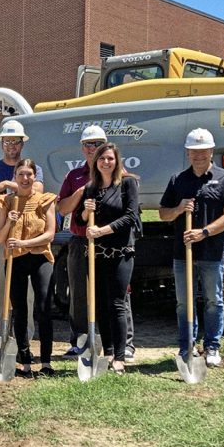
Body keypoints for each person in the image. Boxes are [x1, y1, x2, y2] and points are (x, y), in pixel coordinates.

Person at [158, 128, 224, 367]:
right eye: (194, 152)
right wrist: (178, 209)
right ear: (188, 153)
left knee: (213, 300)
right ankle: (187, 346)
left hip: (212, 253)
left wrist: (203, 232)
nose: (199, 156)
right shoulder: (178, 180)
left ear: (211, 151)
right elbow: (163, 213)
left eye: (203, 151)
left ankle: (212, 347)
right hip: (182, 254)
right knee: (184, 302)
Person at [58, 126, 138, 359]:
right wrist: (81, 194)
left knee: (119, 295)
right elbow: (63, 209)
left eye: (98, 144)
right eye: (88, 144)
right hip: (81, 240)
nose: (93, 149)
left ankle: (126, 344)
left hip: (112, 243)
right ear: (83, 148)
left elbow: (129, 214)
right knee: (82, 294)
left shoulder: (120, 177)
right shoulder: (75, 177)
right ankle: (82, 340)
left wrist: (102, 231)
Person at [75, 143, 140, 375]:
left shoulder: (127, 183)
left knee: (117, 303)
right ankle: (109, 352)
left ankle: (120, 357)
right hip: (96, 254)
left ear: (117, 161)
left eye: (110, 159)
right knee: (101, 303)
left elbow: (131, 216)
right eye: (102, 159)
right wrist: (85, 211)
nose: (106, 162)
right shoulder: (90, 188)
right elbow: (80, 221)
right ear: (96, 162)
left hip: (121, 253)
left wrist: (102, 231)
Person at [0, 119, 42, 355]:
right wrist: (12, 193)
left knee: (26, 292)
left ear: (21, 144)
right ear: (1, 144)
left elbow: (37, 193)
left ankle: (22, 342)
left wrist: (7, 185)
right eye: (7, 142)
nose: (11, 146)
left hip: (25, 239)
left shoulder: (32, 168)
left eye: (15, 142)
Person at [0, 160, 57, 377]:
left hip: (40, 257)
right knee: (19, 309)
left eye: (29, 174)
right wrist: (9, 224)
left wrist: (24, 244)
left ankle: (47, 362)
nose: (25, 178)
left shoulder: (45, 200)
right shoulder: (6, 202)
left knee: (43, 308)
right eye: (21, 174)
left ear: (35, 176)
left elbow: (50, 234)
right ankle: (26, 361)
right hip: (15, 260)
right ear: (15, 176)